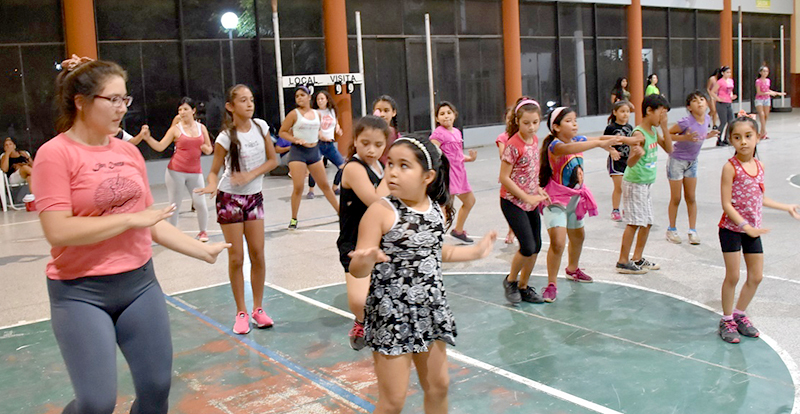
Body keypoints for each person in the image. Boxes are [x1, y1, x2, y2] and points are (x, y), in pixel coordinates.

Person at [32, 55, 229, 414]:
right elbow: (57, 229)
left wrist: (201, 250)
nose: (122, 108)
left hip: (139, 286)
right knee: (96, 402)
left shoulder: (127, 152)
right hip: (80, 292)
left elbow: (150, 220)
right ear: (81, 102)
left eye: (126, 99)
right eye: (113, 100)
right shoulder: (54, 155)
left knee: (156, 389)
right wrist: (127, 221)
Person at [348, 135, 496, 414]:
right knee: (393, 402)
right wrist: (366, 260)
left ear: (427, 176)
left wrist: (475, 253)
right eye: (390, 163)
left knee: (438, 387)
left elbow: (439, 252)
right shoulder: (380, 212)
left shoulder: (437, 210)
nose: (392, 171)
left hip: (430, 309)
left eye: (404, 165)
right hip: (392, 313)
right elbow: (357, 269)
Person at [196, 84, 279, 334]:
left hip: (254, 198)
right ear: (231, 107)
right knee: (237, 257)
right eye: (243, 101)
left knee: (258, 254)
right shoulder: (224, 138)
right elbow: (214, 171)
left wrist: (250, 175)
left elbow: (273, 160)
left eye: (251, 99)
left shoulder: (261, 127)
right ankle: (241, 312)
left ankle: (258, 309)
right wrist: (211, 185)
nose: (249, 104)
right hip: (229, 199)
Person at [717, 116, 800, 343]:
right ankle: (726, 320)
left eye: (748, 136)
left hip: (752, 231)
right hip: (731, 230)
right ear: (731, 140)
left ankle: (739, 314)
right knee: (733, 276)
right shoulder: (729, 168)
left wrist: (786, 207)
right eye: (737, 137)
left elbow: (760, 197)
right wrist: (744, 226)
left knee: (756, 276)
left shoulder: (760, 166)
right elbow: (726, 204)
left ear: (758, 137)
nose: (743, 141)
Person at [539, 107, 621, 302]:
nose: (574, 124)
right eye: (569, 121)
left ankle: (572, 269)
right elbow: (576, 148)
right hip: (556, 200)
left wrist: (631, 141)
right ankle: (551, 284)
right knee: (558, 243)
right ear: (556, 127)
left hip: (575, 199)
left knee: (578, 237)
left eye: (575, 120)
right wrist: (601, 143)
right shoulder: (556, 146)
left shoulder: (578, 140)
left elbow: (600, 140)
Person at [337, 115, 389, 351]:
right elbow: (376, 201)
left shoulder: (382, 167)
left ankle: (380, 324)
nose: (372, 149)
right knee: (358, 301)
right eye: (365, 143)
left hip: (380, 241)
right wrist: (393, 174)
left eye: (378, 145)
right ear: (355, 140)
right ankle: (361, 321)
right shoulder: (353, 168)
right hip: (354, 243)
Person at [615, 94, 676, 274]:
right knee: (634, 222)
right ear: (649, 110)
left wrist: (665, 127)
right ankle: (623, 261)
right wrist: (636, 154)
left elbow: (670, 149)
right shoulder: (640, 133)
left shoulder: (653, 131)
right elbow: (630, 163)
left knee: (647, 222)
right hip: (635, 183)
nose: (663, 117)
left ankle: (637, 258)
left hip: (646, 183)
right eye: (661, 113)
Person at [499, 97, 550, 304]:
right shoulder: (513, 145)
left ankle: (524, 286)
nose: (531, 127)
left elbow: (530, 171)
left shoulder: (535, 140)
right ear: (518, 122)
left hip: (530, 201)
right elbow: (503, 178)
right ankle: (511, 281)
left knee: (536, 246)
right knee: (527, 246)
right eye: (526, 123)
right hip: (512, 201)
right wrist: (526, 196)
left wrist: (537, 189)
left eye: (535, 122)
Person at [143, 97, 213, 241]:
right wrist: (148, 138)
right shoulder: (175, 129)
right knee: (175, 204)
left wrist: (206, 148)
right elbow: (160, 146)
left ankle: (203, 232)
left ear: (193, 111)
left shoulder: (202, 128)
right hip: (176, 172)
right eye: (180, 109)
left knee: (200, 203)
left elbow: (209, 148)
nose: (182, 112)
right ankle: (172, 235)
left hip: (195, 172)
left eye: (186, 109)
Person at [278, 85, 339, 230]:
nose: (299, 98)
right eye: (297, 96)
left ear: (309, 97)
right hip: (298, 153)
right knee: (298, 187)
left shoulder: (317, 114)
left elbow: (316, 130)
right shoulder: (294, 114)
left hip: (314, 152)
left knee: (324, 185)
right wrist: (295, 140)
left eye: (302, 95)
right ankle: (294, 219)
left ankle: (339, 213)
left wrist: (322, 136)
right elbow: (283, 132)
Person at [665, 91, 720, 245]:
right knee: (676, 198)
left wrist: (709, 135)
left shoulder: (707, 119)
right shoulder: (685, 122)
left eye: (702, 99)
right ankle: (672, 229)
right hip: (677, 161)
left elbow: (698, 136)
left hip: (692, 162)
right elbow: (667, 135)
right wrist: (684, 138)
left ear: (707, 104)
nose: (700, 102)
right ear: (689, 107)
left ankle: (692, 230)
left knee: (691, 197)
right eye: (695, 101)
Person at [430, 101, 477, 244]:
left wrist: (470, 158)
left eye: (449, 113)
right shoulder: (438, 134)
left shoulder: (456, 132)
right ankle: (434, 240)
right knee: (444, 208)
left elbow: (457, 155)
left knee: (470, 201)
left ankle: (458, 230)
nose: (446, 116)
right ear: (437, 119)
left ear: (454, 115)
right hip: (447, 175)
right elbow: (432, 153)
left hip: (460, 174)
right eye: (442, 114)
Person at [307, 90, 345, 198]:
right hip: (318, 144)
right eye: (318, 99)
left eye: (322, 99)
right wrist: (321, 136)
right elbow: (315, 129)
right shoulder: (315, 113)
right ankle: (311, 190)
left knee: (342, 166)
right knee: (315, 167)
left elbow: (336, 123)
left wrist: (338, 129)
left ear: (327, 100)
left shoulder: (332, 111)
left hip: (330, 145)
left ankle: (335, 187)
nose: (320, 101)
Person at [605, 100, 635, 222]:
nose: (625, 114)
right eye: (622, 111)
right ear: (615, 112)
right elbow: (603, 142)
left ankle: (627, 209)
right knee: (619, 187)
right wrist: (611, 150)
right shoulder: (611, 128)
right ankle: (615, 209)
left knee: (628, 186)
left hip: (627, 161)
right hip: (616, 161)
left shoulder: (630, 128)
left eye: (627, 111)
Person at [495, 107, 516, 244]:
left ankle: (515, 230)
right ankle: (511, 229)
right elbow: (503, 155)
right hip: (509, 175)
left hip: (525, 178)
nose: (510, 121)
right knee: (511, 204)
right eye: (508, 118)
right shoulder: (503, 137)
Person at [754, 65, 786, 139]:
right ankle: (764, 131)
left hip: (767, 99)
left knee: (766, 115)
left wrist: (777, 93)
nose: (765, 73)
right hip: (759, 99)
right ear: (760, 72)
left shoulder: (768, 80)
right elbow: (759, 92)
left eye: (767, 71)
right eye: (764, 71)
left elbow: (768, 90)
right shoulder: (758, 81)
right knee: (761, 114)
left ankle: (762, 132)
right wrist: (769, 93)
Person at [711, 66, 737, 146]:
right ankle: (719, 139)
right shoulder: (720, 82)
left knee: (731, 121)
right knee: (723, 121)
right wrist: (718, 98)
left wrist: (732, 96)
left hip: (728, 102)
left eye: (729, 72)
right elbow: (712, 92)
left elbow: (730, 91)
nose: (728, 74)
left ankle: (727, 138)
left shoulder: (730, 81)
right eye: (727, 72)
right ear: (722, 73)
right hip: (721, 103)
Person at [373, 95, 401, 165]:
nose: (382, 114)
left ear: (394, 112)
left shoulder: (395, 134)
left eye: (386, 111)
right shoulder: (369, 132)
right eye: (379, 110)